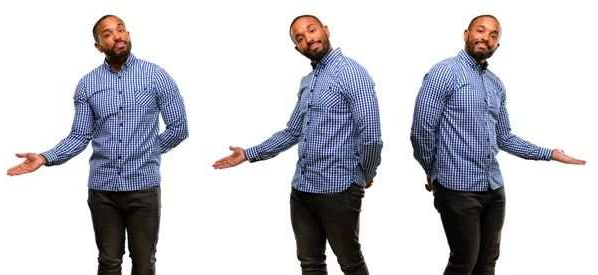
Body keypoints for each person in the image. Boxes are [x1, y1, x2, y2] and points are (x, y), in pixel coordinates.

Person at [6, 15, 189, 275]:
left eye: (121, 30)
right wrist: (46, 157)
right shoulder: (87, 84)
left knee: (144, 263)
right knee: (108, 263)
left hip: (144, 190)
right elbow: (79, 136)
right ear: (98, 45)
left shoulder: (157, 76)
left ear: (128, 34)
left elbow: (179, 128)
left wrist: (147, 151)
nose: (117, 36)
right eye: (108, 34)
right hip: (103, 192)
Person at [410, 14, 586, 275]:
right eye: (481, 31)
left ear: (497, 46)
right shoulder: (443, 73)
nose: (486, 38)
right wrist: (433, 172)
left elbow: (504, 137)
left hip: (494, 188)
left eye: (493, 35)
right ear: (466, 34)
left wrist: (549, 154)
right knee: (463, 263)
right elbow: (421, 131)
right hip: (458, 188)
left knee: (488, 262)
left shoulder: (496, 85)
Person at [212, 14, 382, 275]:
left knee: (350, 262)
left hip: (338, 189)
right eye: (300, 38)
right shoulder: (308, 82)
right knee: (310, 264)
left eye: (311, 30)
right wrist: (248, 154)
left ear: (325, 30)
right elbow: (293, 131)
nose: (308, 39)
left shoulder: (352, 73)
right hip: (302, 190)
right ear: (297, 48)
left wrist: (366, 173)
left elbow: (370, 133)